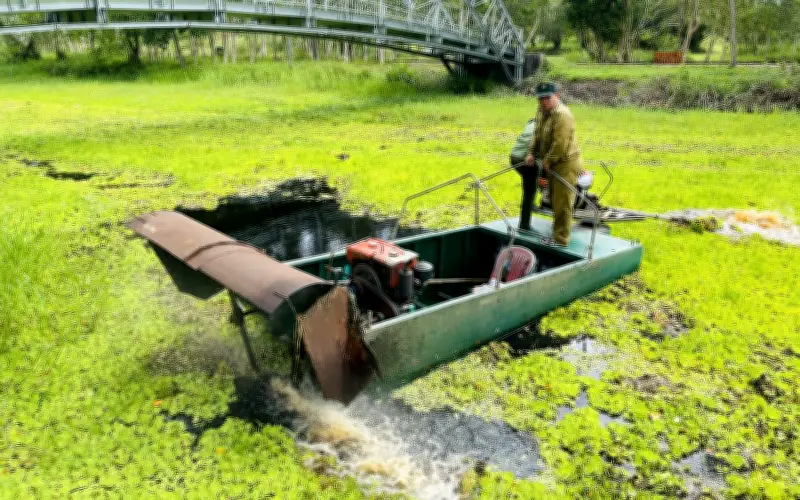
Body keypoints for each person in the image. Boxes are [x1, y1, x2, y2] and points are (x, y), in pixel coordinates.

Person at [525, 82, 582, 246]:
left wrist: (548, 160)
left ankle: (561, 239)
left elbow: (560, 143)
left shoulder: (562, 114)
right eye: (541, 98)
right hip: (550, 162)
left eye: (547, 98)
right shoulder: (542, 112)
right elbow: (537, 134)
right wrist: (530, 152)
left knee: (562, 203)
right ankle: (557, 232)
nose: (544, 101)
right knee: (553, 199)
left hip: (565, 163)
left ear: (557, 96)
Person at [509, 117, 538, 232]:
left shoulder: (530, 125)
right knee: (529, 190)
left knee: (529, 183)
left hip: (514, 157)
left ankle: (531, 204)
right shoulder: (545, 127)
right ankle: (524, 225)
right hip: (526, 160)